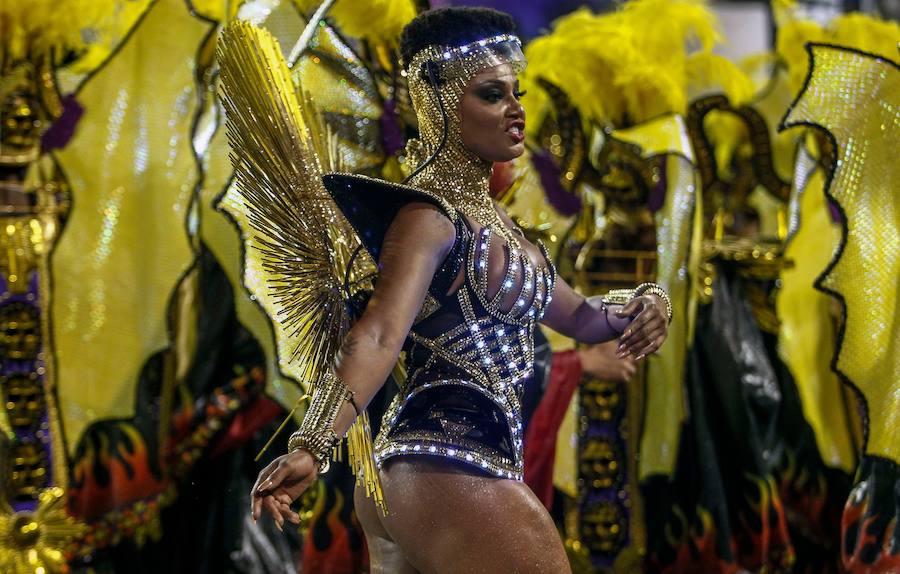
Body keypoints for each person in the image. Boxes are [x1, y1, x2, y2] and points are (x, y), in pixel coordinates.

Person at [249, 8, 670, 572]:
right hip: (445, 466)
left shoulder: (496, 222)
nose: (517, 111)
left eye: (516, 93)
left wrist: (645, 304)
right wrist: (313, 444)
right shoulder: (428, 217)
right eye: (493, 94)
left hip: (438, 473)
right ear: (440, 102)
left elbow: (586, 320)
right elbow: (378, 335)